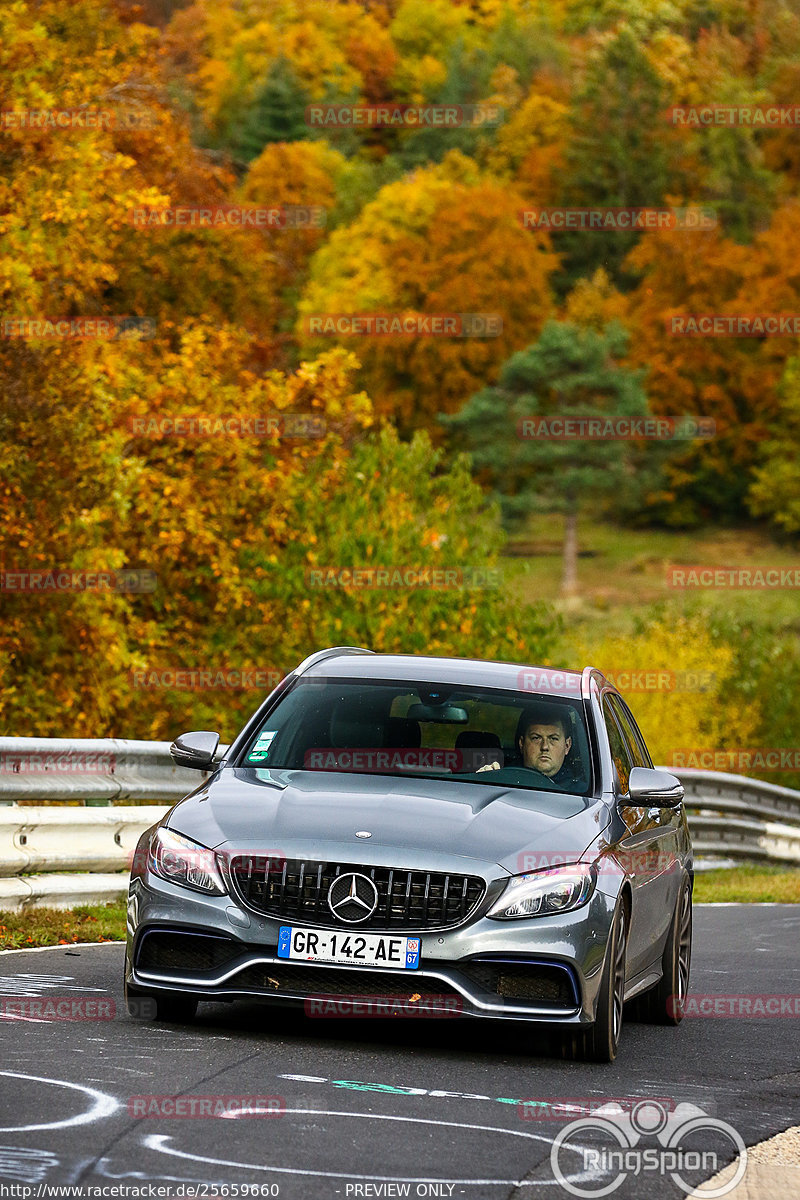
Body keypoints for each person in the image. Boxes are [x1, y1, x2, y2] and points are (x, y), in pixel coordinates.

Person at [477, 704, 581, 787]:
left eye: (553, 738)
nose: (544, 747)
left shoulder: (581, 795)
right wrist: (484, 780)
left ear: (567, 746)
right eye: (536, 738)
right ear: (522, 743)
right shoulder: (501, 779)